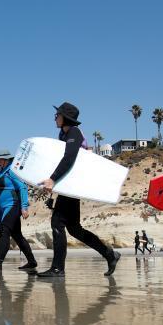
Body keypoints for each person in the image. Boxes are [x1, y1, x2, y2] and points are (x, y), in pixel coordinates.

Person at [37, 103, 120, 278]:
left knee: (57, 223)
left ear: (64, 117)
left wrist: (53, 179)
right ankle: (109, 254)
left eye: (57, 114)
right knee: (74, 229)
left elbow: (69, 158)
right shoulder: (64, 134)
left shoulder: (74, 132)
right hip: (68, 185)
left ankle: (58, 269)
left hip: (74, 185)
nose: (54, 117)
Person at [0, 149, 37, 271]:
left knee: (4, 230)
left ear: (5, 160)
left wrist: (24, 207)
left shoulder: (11, 171)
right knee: (17, 236)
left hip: (13, 205)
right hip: (5, 208)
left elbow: (22, 187)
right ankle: (32, 261)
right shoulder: (0, 173)